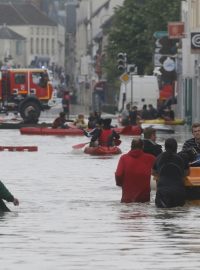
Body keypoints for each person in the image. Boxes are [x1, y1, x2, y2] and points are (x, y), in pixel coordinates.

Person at [115, 138, 156, 203]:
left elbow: (118, 175)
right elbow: (157, 175)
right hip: (144, 199)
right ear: (142, 147)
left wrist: (121, 184)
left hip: (127, 199)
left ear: (131, 146)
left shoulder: (124, 158)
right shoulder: (151, 158)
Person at [152, 138, 189, 208]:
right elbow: (187, 173)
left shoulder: (159, 157)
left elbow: (153, 172)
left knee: (163, 214)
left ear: (165, 147)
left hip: (163, 193)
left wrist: (162, 174)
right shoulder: (182, 158)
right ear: (176, 148)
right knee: (178, 214)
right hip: (179, 192)